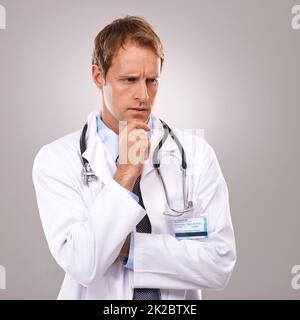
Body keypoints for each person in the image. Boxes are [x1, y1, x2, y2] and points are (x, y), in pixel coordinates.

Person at [32, 15, 236, 300]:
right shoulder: (57, 160)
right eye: (129, 80)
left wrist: (128, 248)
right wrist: (125, 175)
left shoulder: (195, 155)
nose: (143, 95)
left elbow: (219, 263)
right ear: (97, 76)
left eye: (152, 81)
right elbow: (81, 264)